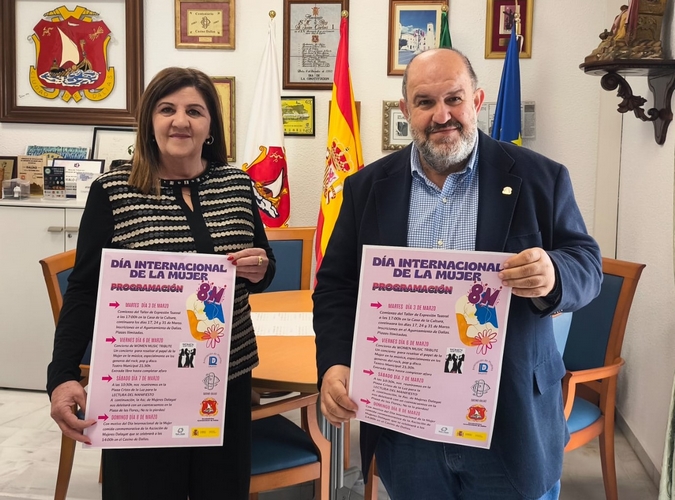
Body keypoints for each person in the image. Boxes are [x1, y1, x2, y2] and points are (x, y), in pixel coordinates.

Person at [313, 48, 602, 500]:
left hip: (509, 422)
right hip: (407, 427)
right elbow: (336, 287)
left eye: (454, 98)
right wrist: (334, 362)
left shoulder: (540, 177)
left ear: (477, 101)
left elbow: (586, 262)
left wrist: (554, 273)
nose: (442, 115)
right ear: (406, 110)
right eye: (425, 102)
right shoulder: (366, 188)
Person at [47, 67, 276, 500]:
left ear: (211, 125)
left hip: (224, 380)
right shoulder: (114, 191)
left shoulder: (238, 184)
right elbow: (84, 291)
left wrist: (261, 268)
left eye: (195, 111)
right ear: (149, 121)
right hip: (143, 385)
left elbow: (262, 267)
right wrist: (61, 375)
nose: (180, 121)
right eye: (167, 109)